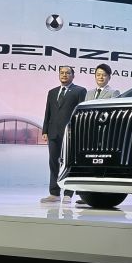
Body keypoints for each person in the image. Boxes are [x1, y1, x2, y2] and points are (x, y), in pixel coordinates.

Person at [40, 66, 87, 203]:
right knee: (53, 163)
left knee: (68, 163)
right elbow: (48, 112)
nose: (64, 75)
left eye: (67, 73)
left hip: (70, 133)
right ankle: (54, 193)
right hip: (53, 133)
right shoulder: (52, 92)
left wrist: (78, 130)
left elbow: (81, 113)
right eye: (62, 73)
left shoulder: (80, 91)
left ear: (73, 75)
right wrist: (45, 130)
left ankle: (68, 193)